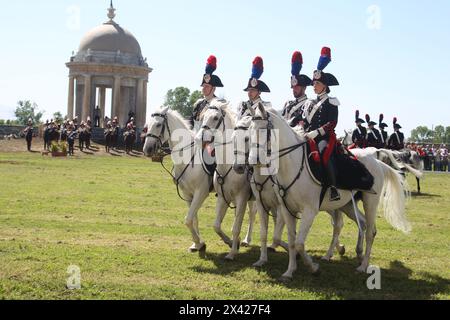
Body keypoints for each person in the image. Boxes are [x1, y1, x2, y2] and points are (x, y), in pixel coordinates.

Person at [301, 47, 341, 201]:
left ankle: (332, 187)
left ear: (324, 85)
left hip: (324, 137)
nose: (314, 86)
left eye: (317, 83)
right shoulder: (310, 102)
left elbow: (332, 123)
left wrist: (316, 133)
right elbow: (305, 120)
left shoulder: (331, 101)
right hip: (308, 136)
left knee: (323, 153)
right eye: (313, 83)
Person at [190, 55, 227, 131]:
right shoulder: (198, 104)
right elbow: (191, 123)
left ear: (213, 88)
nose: (204, 88)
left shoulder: (219, 104)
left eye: (207, 86)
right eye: (203, 86)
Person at [282, 51, 313, 126]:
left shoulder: (309, 104)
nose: (294, 89)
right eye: (293, 87)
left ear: (304, 87)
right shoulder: (288, 104)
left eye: (297, 87)